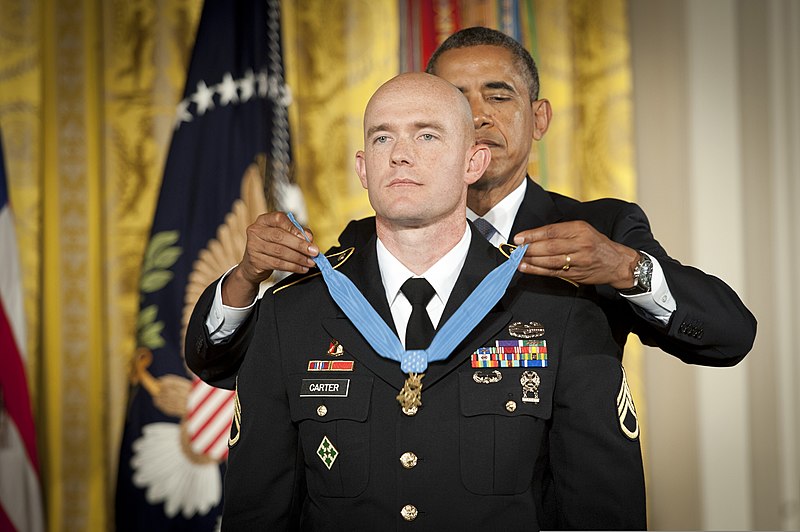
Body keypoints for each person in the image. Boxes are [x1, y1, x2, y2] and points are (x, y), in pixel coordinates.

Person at [185, 27, 755, 389]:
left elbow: (730, 337)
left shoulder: (601, 230)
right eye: (457, 101)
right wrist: (245, 277)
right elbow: (227, 367)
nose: (478, 115)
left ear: (539, 118)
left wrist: (628, 269)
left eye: (498, 96)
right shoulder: (364, 241)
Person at [220, 72, 645, 530]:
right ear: (363, 168)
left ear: (473, 162)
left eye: (426, 135)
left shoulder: (560, 310)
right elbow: (256, 511)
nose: (401, 154)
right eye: (383, 138)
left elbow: (603, 514)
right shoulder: (292, 314)